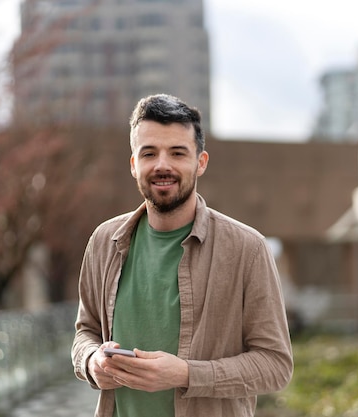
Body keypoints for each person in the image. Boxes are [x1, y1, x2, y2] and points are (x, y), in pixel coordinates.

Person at [71, 93, 293, 417]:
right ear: (134, 165)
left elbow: (276, 365)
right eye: (149, 153)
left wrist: (186, 374)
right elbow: (85, 333)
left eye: (177, 153)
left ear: (200, 162)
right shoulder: (104, 242)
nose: (163, 165)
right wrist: (93, 362)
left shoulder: (248, 250)